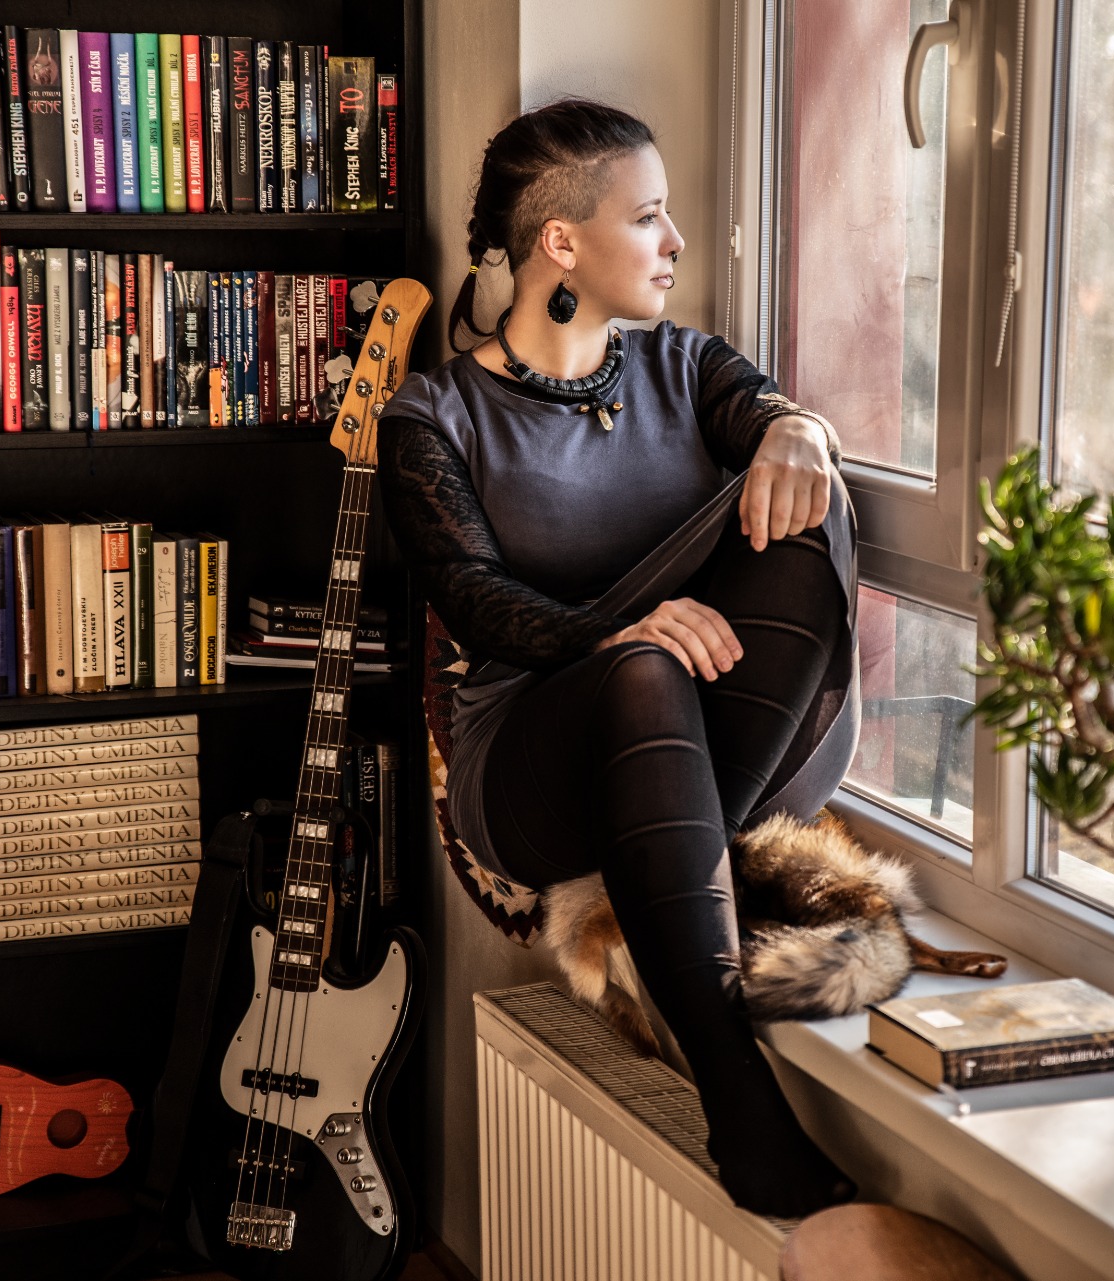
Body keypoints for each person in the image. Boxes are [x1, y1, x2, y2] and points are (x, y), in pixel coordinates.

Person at [378, 98, 861, 1219]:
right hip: (533, 759)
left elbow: (772, 425)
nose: (675, 241)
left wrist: (798, 427)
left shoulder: (687, 367)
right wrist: (615, 635)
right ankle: (740, 1102)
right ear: (560, 242)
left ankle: (671, 853)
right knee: (644, 673)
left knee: (811, 510)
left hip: (707, 747)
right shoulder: (432, 418)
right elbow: (479, 606)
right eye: (648, 217)